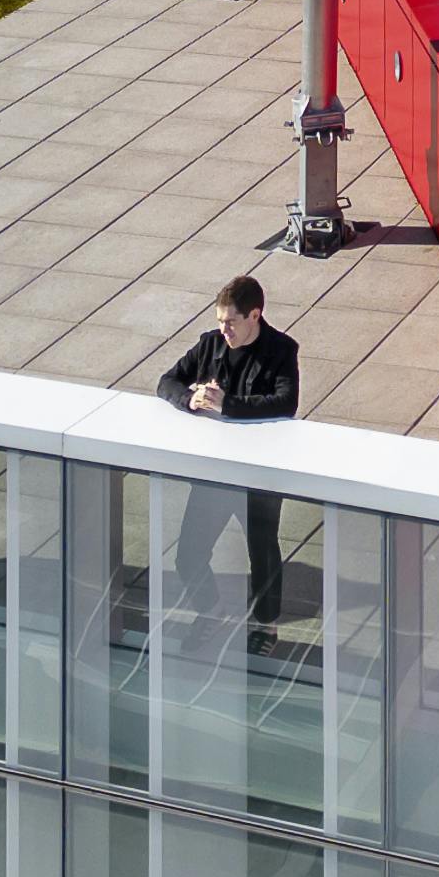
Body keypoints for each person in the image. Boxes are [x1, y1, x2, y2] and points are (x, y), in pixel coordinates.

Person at [157, 276, 298, 647]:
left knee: (263, 554)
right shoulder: (210, 344)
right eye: (221, 321)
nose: (224, 329)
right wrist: (190, 398)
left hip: (257, 475)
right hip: (216, 472)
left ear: (255, 315)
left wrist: (228, 405)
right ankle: (211, 610)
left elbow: (285, 403)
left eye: (231, 322)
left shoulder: (281, 350)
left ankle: (265, 627)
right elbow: (167, 381)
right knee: (188, 554)